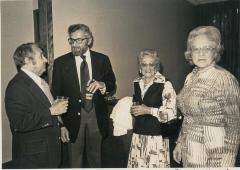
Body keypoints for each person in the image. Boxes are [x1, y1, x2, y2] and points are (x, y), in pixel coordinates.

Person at [173, 26, 240, 167]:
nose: (201, 53)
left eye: (207, 48)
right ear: (190, 53)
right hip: (190, 150)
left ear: (215, 51)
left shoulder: (225, 79)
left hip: (214, 153)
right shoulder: (190, 77)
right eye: (196, 49)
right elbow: (188, 116)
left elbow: (234, 123)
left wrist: (228, 159)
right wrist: (180, 142)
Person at [52, 23, 116, 168]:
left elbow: (112, 83)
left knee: (96, 158)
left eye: (79, 40)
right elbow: (56, 95)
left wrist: (102, 85)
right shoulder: (61, 63)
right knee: (75, 160)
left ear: (89, 40)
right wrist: (61, 125)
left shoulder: (102, 59)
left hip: (96, 115)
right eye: (71, 40)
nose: (74, 44)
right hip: (72, 118)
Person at [5, 43, 68, 168]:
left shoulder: (39, 81)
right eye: (41, 56)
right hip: (34, 156)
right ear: (28, 61)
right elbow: (19, 123)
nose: (46, 60)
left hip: (48, 149)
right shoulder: (16, 86)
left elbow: (44, 107)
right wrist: (51, 111)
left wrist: (60, 126)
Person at [127, 49, 177, 168]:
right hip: (138, 136)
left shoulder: (165, 84)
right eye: (144, 64)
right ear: (140, 67)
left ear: (157, 66)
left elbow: (171, 113)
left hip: (156, 138)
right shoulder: (136, 83)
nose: (147, 68)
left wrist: (148, 110)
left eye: (151, 64)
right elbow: (137, 105)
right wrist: (134, 111)